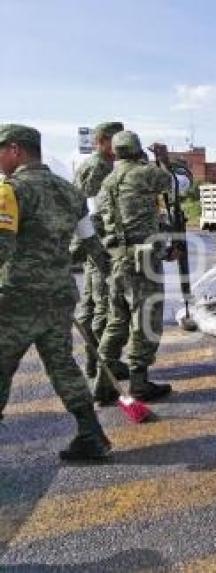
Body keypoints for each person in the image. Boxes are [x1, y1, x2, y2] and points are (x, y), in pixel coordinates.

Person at [0, 123, 112, 461]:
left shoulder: (11, 191)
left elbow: (2, 247)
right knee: (63, 365)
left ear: (16, 149)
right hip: (59, 296)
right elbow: (92, 245)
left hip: (16, 299)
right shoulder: (71, 193)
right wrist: (110, 280)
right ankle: (92, 435)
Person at [93, 131, 176, 403]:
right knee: (145, 319)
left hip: (116, 259)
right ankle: (139, 383)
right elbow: (172, 184)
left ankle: (103, 381)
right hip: (142, 260)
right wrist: (162, 160)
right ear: (138, 150)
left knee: (117, 319)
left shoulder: (106, 183)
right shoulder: (143, 173)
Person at [74, 121, 130, 384]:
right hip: (98, 244)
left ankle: (95, 362)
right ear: (104, 141)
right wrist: (101, 250)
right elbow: (94, 211)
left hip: (91, 242)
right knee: (103, 306)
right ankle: (101, 366)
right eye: (116, 139)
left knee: (90, 305)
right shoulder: (98, 167)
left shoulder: (100, 165)